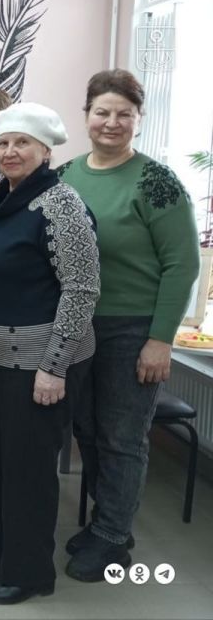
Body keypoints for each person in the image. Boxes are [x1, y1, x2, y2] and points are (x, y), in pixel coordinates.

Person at [59, 69, 200, 582]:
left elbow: (183, 264)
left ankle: (114, 536)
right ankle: (107, 523)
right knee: (87, 430)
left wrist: (159, 340)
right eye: (103, 112)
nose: (112, 122)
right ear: (88, 116)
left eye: (124, 114)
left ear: (139, 120)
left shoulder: (156, 181)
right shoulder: (67, 173)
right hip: (78, 325)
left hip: (132, 328)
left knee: (122, 435)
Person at [0, 103, 99, 604]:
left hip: (42, 361)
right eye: (4, 143)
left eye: (23, 143)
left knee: (28, 469)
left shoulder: (61, 204)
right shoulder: (6, 196)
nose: (10, 151)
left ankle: (29, 571)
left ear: (45, 151)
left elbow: (82, 290)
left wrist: (54, 365)